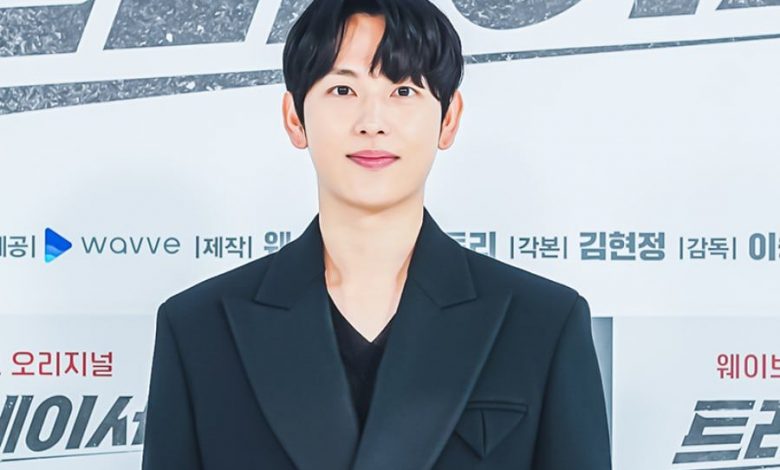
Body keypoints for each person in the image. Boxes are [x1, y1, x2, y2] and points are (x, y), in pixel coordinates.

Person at [141, 0, 612, 468]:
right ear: (294, 118)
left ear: (449, 119)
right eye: (343, 90)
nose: (371, 122)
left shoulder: (544, 323)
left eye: (403, 90)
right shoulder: (198, 329)